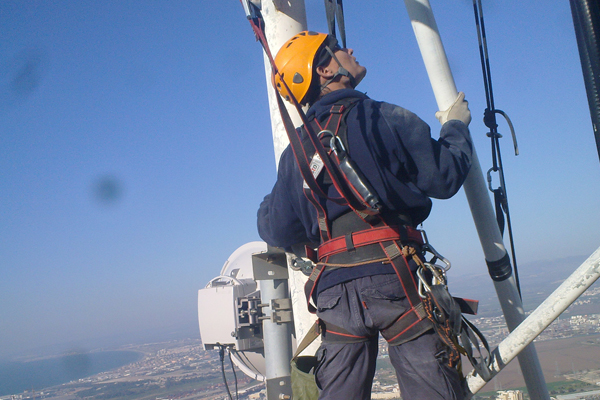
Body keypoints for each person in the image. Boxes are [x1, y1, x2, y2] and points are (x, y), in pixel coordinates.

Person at [257, 31, 473, 400]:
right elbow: (445, 175)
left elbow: (274, 228)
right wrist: (455, 127)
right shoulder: (386, 117)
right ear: (324, 69)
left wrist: (288, 190)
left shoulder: (295, 150)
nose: (350, 50)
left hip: (334, 292)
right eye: (337, 49)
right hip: (396, 279)